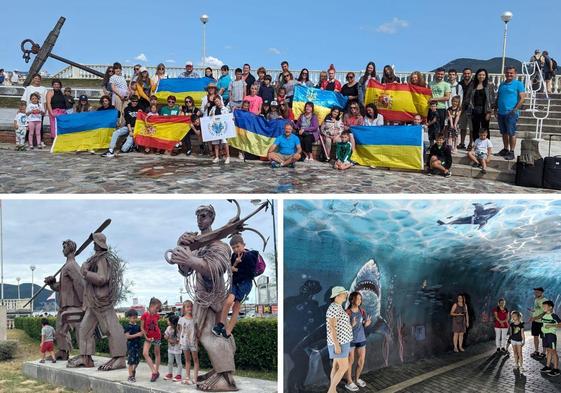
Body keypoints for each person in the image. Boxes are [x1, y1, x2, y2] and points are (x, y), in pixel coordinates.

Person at [213, 234, 260, 338]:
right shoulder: (234, 256)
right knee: (228, 301)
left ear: (243, 245)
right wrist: (235, 264)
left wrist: (237, 269)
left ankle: (228, 331)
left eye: (238, 246)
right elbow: (230, 269)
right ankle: (221, 324)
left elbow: (251, 273)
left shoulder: (249, 256)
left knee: (236, 307)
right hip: (234, 283)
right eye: (233, 247)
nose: (236, 249)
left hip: (245, 285)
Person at [495, 67, 526, 161]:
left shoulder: (518, 84)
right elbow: (498, 97)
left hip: (511, 113)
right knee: (504, 132)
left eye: (511, 73)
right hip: (501, 112)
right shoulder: (502, 84)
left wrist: (515, 109)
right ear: (505, 73)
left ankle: (512, 152)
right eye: (507, 73)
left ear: (515, 73)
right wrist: (495, 108)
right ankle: (505, 149)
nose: (509, 74)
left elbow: (522, 98)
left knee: (511, 133)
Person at [326, 287, 353, 393]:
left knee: (336, 367)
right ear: (337, 296)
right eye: (344, 294)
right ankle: (331, 391)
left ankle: (333, 390)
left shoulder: (338, 307)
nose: (346, 295)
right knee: (343, 367)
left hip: (342, 341)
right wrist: (337, 345)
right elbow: (331, 327)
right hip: (339, 343)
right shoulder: (333, 308)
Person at [344, 292, 371, 391]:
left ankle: (357, 379)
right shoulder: (347, 312)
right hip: (350, 340)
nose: (359, 300)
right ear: (352, 300)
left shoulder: (362, 311)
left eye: (360, 299)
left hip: (361, 339)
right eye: (357, 298)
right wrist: (351, 324)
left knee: (361, 361)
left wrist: (366, 324)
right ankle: (349, 382)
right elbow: (342, 329)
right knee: (350, 361)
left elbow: (363, 323)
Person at [468, 68, 495, 151]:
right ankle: (477, 147)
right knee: (475, 129)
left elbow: (492, 99)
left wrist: (489, 112)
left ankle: (487, 147)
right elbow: (468, 98)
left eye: (483, 75)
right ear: (477, 75)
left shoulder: (489, 85)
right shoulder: (473, 85)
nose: (481, 76)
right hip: (474, 110)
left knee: (485, 128)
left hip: (485, 110)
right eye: (479, 74)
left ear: (486, 76)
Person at [141, 297, 162, 382]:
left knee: (157, 353)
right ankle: (154, 371)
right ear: (151, 306)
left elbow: (156, 326)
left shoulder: (157, 316)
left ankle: (156, 372)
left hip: (157, 336)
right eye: (157, 308)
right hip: (148, 337)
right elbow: (142, 328)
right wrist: (146, 337)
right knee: (145, 353)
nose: (158, 310)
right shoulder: (144, 315)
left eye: (158, 308)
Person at [178, 300, 199, 385]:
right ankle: (187, 376)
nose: (189, 308)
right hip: (184, 342)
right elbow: (179, 330)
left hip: (193, 342)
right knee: (187, 360)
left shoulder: (195, 319)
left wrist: (197, 339)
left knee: (195, 359)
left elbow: (198, 330)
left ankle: (195, 378)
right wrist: (180, 339)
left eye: (191, 306)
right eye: (187, 307)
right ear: (184, 308)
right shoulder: (181, 319)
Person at [540, 300, 561, 377]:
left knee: (553, 351)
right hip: (545, 335)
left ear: (550, 307)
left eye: (545, 306)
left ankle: (556, 369)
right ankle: (548, 366)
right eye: (543, 306)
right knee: (548, 351)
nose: (543, 308)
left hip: (551, 336)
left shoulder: (554, 316)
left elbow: (560, 324)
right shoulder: (544, 315)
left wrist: (551, 326)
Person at [208, 96, 231, 164]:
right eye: (215, 101)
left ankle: (228, 156)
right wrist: (211, 114)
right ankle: (217, 157)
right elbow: (209, 116)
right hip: (215, 127)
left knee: (224, 142)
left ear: (220, 100)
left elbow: (228, 117)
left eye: (217, 101)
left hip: (223, 128)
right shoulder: (213, 108)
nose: (216, 102)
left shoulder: (225, 109)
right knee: (216, 143)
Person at [124, 309, 143, 383]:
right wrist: (137, 334)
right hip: (131, 346)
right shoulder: (127, 326)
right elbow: (127, 336)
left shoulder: (138, 326)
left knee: (137, 360)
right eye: (133, 318)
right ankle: (130, 376)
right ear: (129, 317)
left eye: (136, 317)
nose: (135, 319)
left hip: (137, 346)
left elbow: (141, 334)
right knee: (131, 361)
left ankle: (133, 370)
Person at [429, 68, 451, 132]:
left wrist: (434, 99)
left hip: (441, 108)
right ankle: (432, 142)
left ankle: (439, 141)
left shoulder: (446, 84)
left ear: (444, 75)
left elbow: (447, 97)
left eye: (442, 74)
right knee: (431, 127)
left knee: (441, 127)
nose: (440, 75)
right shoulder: (430, 84)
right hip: (431, 108)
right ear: (435, 74)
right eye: (438, 74)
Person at [457, 68, 473, 149]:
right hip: (462, 108)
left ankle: (470, 144)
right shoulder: (460, 84)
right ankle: (462, 143)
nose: (467, 75)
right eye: (465, 73)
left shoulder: (474, 83)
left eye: (468, 73)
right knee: (462, 127)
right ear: (463, 74)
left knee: (471, 128)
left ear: (471, 74)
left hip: (471, 109)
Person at [164, 315, 183, 382]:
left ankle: (179, 375)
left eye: (169, 320)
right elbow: (165, 336)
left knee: (178, 362)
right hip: (170, 349)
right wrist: (168, 339)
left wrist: (174, 341)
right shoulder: (168, 328)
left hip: (177, 349)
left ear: (172, 323)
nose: (167, 321)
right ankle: (170, 374)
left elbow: (179, 339)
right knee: (170, 362)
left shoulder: (179, 329)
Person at [530, 287, 548, 359]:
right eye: (535, 292)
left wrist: (536, 317)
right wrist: (533, 311)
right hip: (535, 322)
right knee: (535, 336)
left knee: (544, 337)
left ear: (541, 292)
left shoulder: (545, 300)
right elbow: (537, 309)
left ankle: (543, 353)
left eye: (536, 292)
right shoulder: (536, 299)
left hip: (542, 322)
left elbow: (545, 312)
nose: (535, 293)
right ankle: (536, 351)